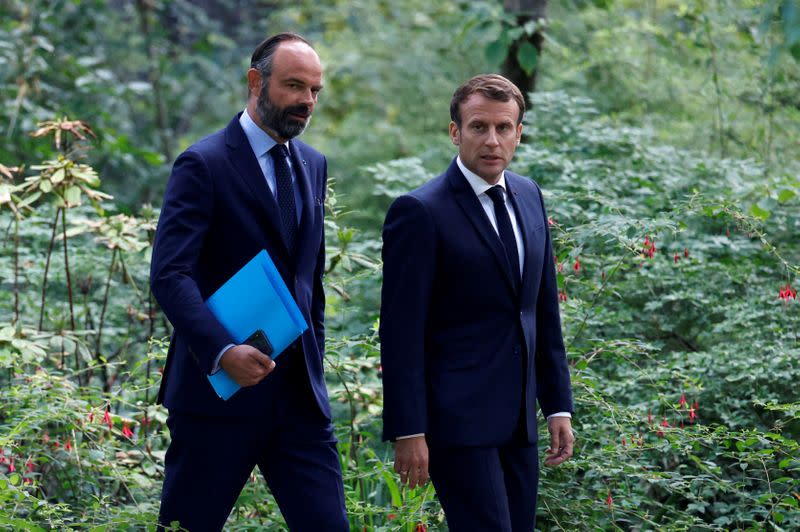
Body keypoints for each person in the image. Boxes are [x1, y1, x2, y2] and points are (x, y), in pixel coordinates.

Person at [150, 32, 348, 531]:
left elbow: (310, 282)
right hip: (216, 398)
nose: (307, 101)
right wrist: (222, 351)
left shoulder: (313, 164)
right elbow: (170, 274)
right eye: (294, 86)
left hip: (300, 402)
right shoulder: (203, 163)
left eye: (315, 90)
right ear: (256, 82)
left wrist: (315, 361)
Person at [380, 74, 575, 530]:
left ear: (519, 133)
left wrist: (558, 405)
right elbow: (401, 331)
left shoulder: (529, 196)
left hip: (519, 424)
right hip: (456, 426)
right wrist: (409, 430)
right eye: (478, 127)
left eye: (504, 128)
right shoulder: (420, 212)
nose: (492, 140)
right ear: (455, 131)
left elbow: (542, 311)